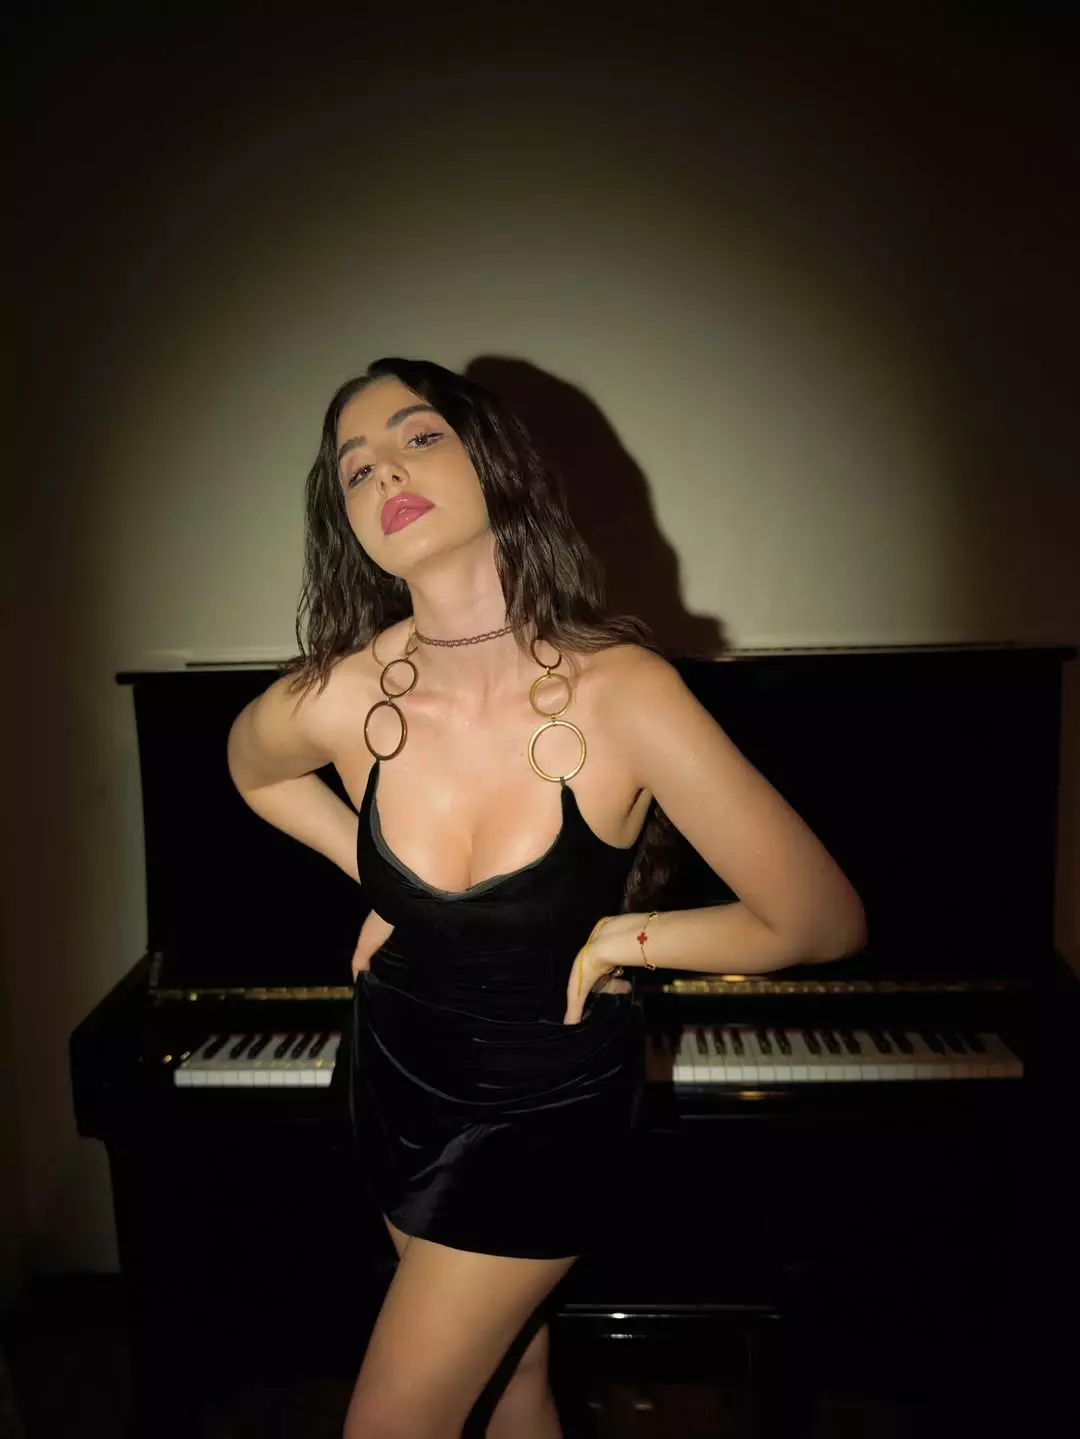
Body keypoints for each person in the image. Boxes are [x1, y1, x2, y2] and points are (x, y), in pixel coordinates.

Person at [226, 358, 866, 1439]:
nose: (386, 474)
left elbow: (819, 918)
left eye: (418, 436)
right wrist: (379, 881)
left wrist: (621, 938)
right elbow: (250, 768)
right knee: (513, 1378)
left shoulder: (624, 691)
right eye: (356, 469)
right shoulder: (344, 691)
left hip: (544, 1108)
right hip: (396, 1070)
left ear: (493, 459)